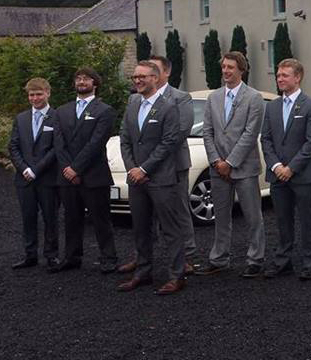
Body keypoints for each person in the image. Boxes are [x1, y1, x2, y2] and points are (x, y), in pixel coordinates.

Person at [116, 56, 197, 276]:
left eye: (150, 73)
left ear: (163, 74)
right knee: (142, 219)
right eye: (136, 76)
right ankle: (143, 259)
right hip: (140, 171)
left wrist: (146, 167)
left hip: (172, 166)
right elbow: (127, 137)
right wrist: (135, 167)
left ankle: (186, 258)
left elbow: (178, 133)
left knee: (176, 215)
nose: (139, 79)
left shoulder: (179, 98)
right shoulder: (135, 101)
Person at [195, 52, 266, 278]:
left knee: (253, 217)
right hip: (218, 169)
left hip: (244, 168)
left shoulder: (254, 97)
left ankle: (255, 259)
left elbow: (250, 133)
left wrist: (230, 162)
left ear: (241, 70)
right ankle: (219, 259)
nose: (226, 71)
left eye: (231, 67)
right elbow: (207, 132)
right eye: (224, 67)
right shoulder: (213, 98)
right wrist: (216, 161)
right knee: (222, 217)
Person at [260, 59, 311, 281]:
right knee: (282, 221)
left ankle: (310, 263)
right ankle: (283, 262)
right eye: (278, 75)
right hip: (278, 176)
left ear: (298, 78)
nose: (280, 79)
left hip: (303, 176)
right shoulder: (272, 107)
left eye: (285, 75)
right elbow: (266, 139)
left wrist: (291, 168)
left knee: (307, 221)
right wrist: (277, 166)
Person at [52, 68, 118, 273]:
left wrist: (76, 168)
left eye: (86, 78)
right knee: (71, 218)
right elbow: (58, 143)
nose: (81, 81)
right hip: (66, 176)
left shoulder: (104, 110)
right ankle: (72, 257)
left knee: (101, 219)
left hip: (93, 175)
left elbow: (96, 142)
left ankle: (108, 258)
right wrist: (67, 169)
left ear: (95, 84)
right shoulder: (61, 111)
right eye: (78, 78)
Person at [7, 78, 59, 271]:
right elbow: (13, 146)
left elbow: (56, 148)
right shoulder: (20, 118)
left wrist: (36, 170)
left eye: (38, 94)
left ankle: (52, 256)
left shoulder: (57, 117)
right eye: (31, 95)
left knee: (50, 217)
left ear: (47, 93)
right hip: (25, 178)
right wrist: (24, 169)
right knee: (28, 217)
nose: (35, 98)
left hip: (47, 178)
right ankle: (30, 255)